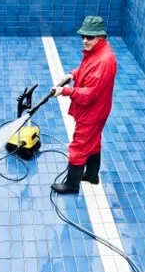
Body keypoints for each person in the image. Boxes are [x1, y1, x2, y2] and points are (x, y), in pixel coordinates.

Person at [50, 16, 117, 194]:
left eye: (90, 37)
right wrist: (73, 75)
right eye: (83, 36)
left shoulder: (104, 61)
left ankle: (71, 185)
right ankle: (92, 175)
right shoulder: (98, 52)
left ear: (100, 37)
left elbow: (89, 94)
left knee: (79, 146)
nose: (85, 40)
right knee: (93, 142)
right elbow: (87, 69)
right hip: (100, 109)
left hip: (92, 112)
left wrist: (65, 91)